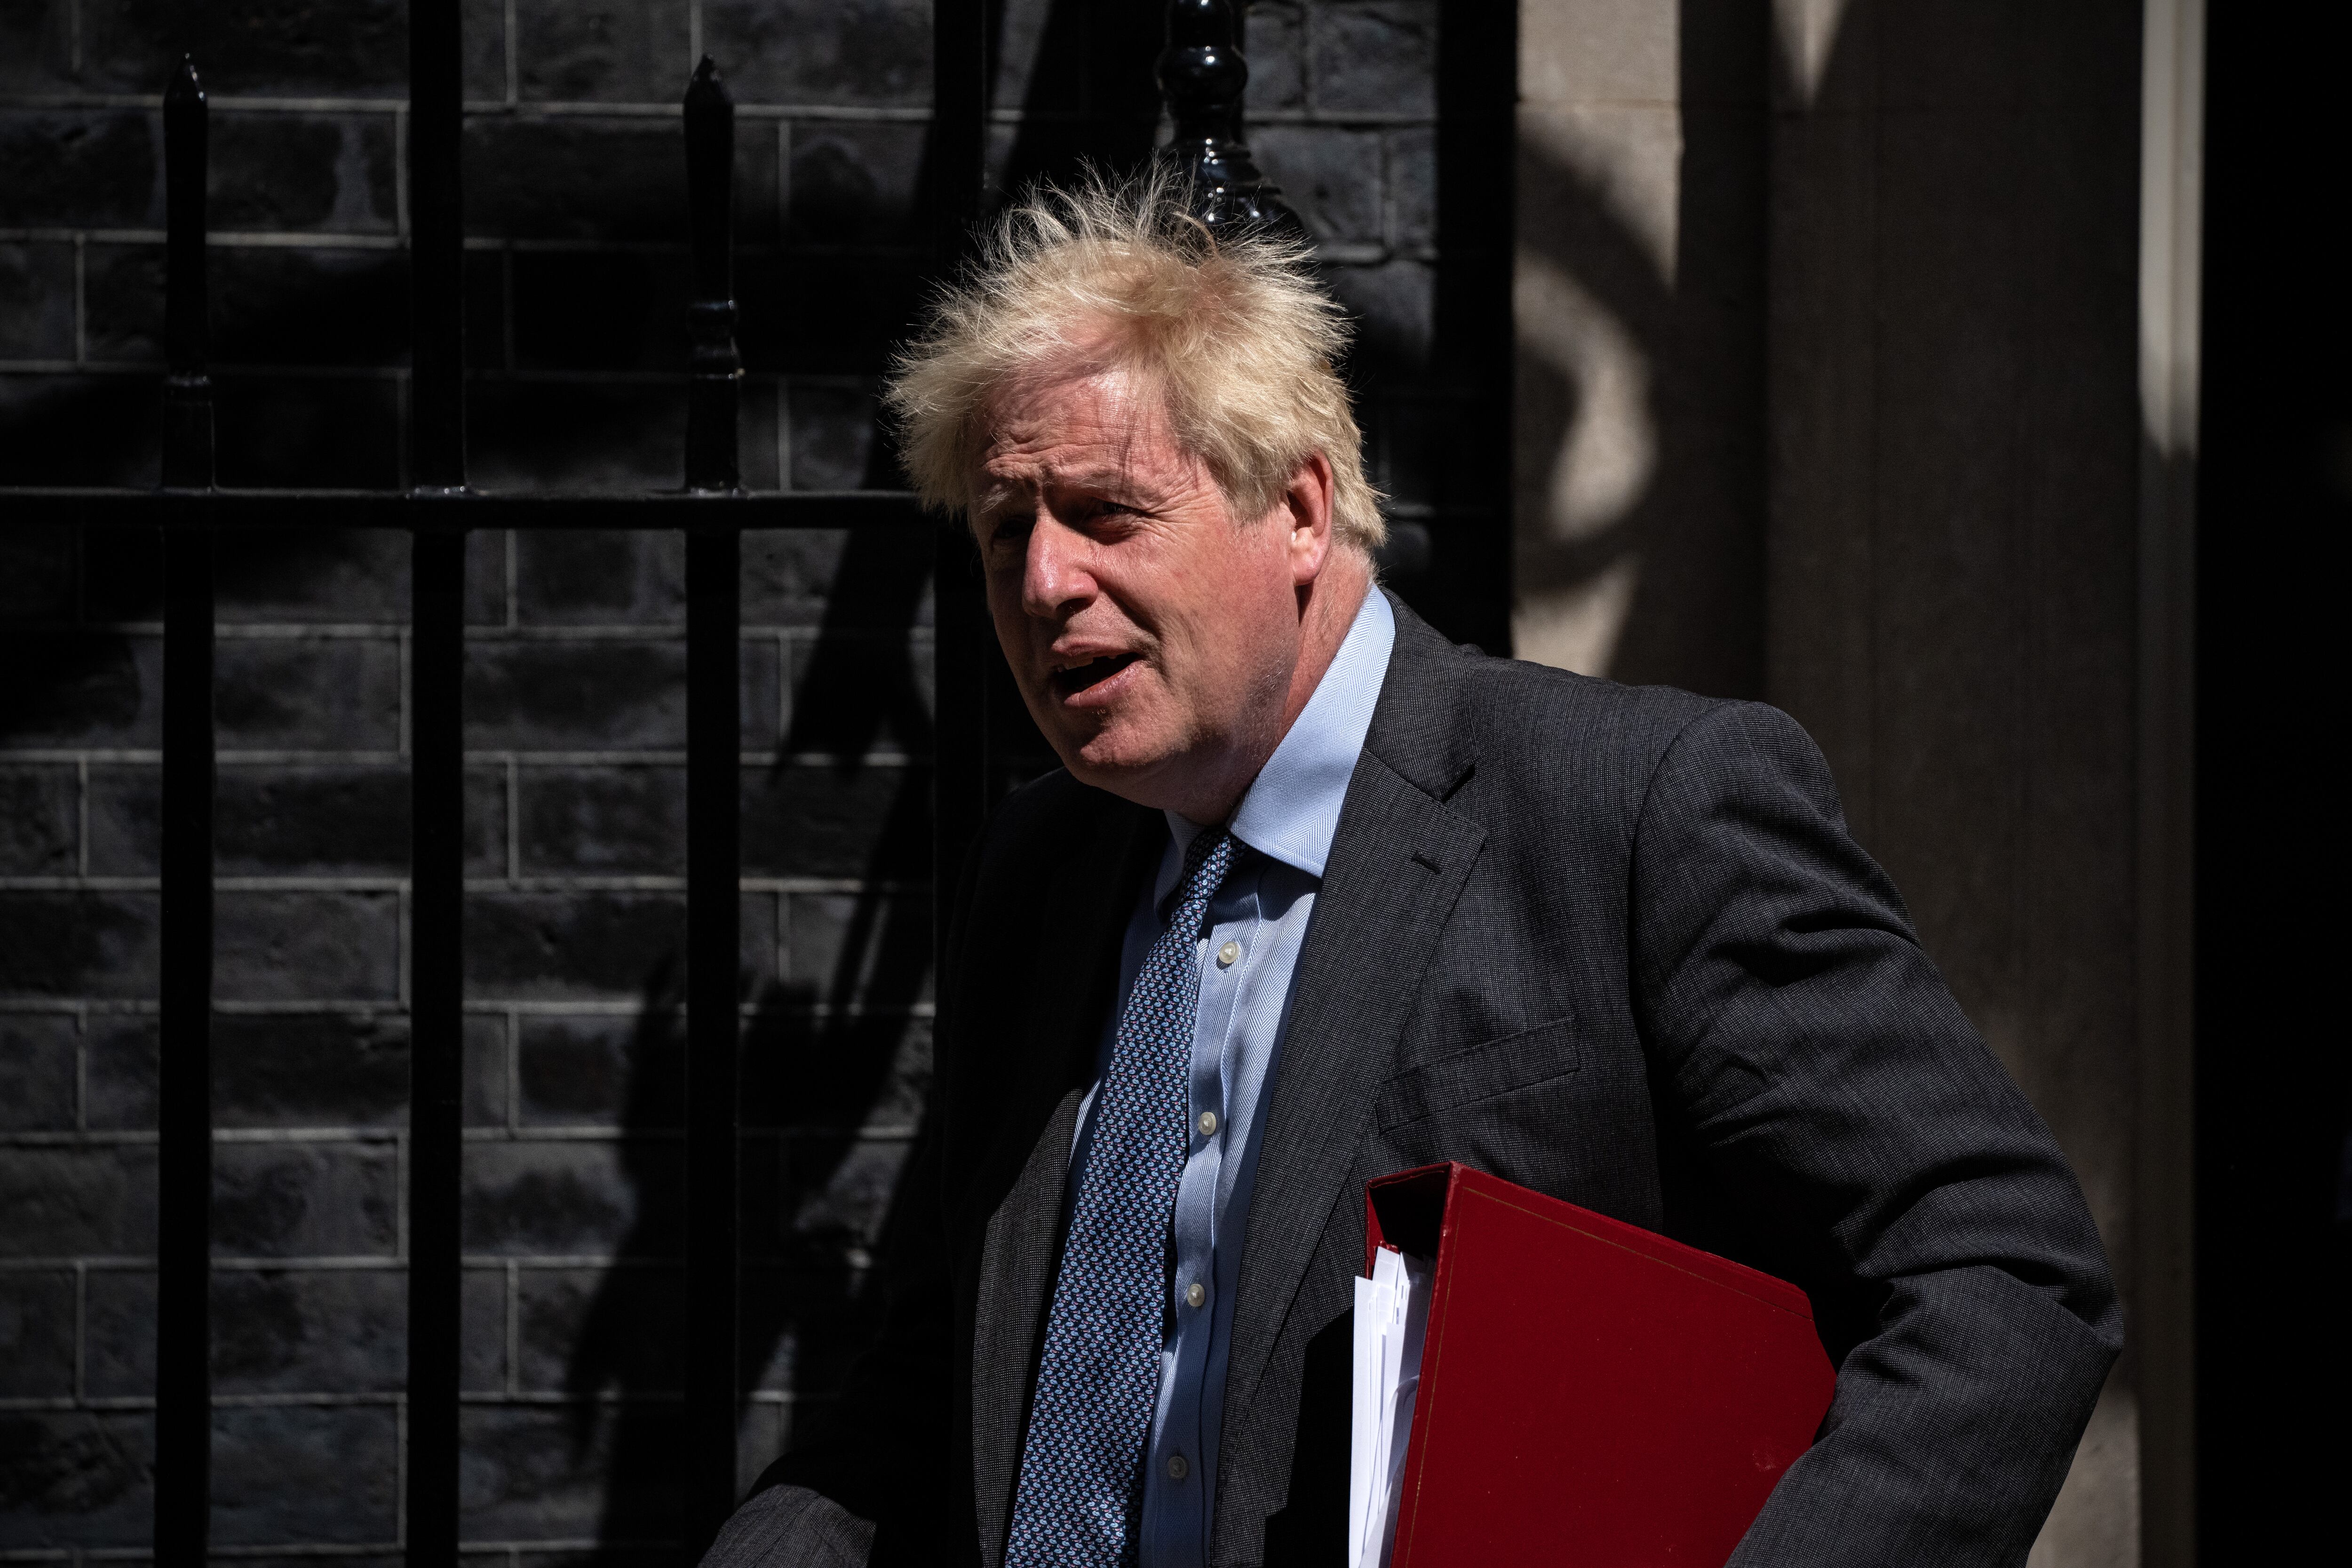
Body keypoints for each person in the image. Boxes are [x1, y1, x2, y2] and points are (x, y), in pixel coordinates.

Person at [703, 172, 2120, 1568]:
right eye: (1009, 529)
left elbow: (1999, 1278)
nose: (1044, 583)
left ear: (1304, 509)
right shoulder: (1040, 874)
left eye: (1110, 511)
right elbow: (932, 1380)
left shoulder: (1633, 812)